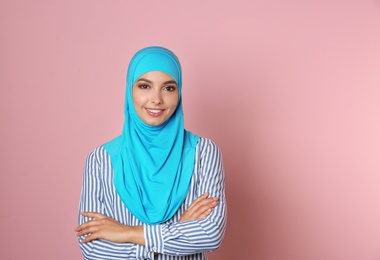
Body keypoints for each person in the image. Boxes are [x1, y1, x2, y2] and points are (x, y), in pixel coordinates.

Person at [75, 46, 226, 260]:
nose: (156, 99)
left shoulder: (203, 153)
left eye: (168, 88)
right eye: (145, 86)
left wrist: (127, 233)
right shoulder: (101, 159)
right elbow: (92, 248)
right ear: (130, 90)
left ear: (179, 92)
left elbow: (211, 235)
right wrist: (176, 233)